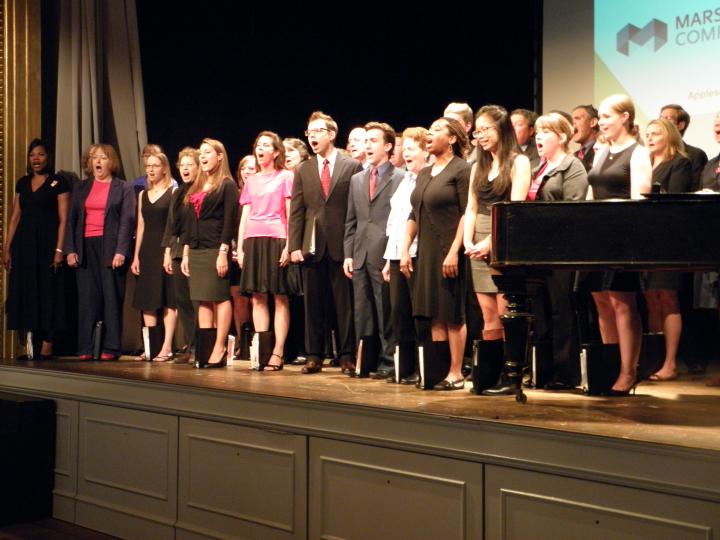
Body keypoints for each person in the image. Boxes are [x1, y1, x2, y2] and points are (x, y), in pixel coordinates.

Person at [586, 94, 652, 396]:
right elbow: (591, 192)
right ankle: (611, 367)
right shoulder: (601, 152)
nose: (601, 122)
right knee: (601, 301)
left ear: (625, 117)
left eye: (607, 116)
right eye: (599, 116)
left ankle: (628, 371)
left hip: (622, 238)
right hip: (596, 237)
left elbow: (641, 201)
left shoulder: (637, 154)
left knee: (621, 302)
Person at [463, 105, 531, 395]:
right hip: (477, 237)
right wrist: (467, 241)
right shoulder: (478, 165)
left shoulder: (519, 162)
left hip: (503, 238)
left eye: (486, 129)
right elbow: (471, 206)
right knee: (487, 312)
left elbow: (514, 209)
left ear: (502, 129)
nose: (481, 136)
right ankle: (490, 374)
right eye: (477, 130)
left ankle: (511, 373)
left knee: (506, 310)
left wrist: (489, 242)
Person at [288, 111, 363, 374]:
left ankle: (346, 355)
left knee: (344, 305)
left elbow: (356, 209)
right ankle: (314, 355)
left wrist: (354, 245)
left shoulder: (351, 165)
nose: (312, 137)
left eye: (318, 131)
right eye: (309, 133)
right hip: (312, 246)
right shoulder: (304, 169)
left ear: (332, 134)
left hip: (342, 245)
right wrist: (293, 245)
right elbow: (297, 210)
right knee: (313, 304)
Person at [400, 117, 471, 390]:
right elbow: (413, 214)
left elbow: (467, 212)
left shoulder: (462, 170)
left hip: (448, 249)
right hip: (427, 252)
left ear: (452, 138)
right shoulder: (425, 173)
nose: (429, 134)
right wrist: (405, 249)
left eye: (437, 130)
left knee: (452, 312)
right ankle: (439, 370)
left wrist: (455, 250)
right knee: (433, 312)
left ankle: (456, 372)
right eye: (429, 129)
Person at [530, 113, 589, 390]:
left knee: (561, 311)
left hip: (561, 252)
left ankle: (566, 373)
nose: (538, 136)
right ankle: (542, 371)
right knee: (540, 313)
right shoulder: (537, 168)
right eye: (538, 132)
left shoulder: (572, 166)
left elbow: (573, 211)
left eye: (545, 132)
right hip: (535, 252)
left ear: (562, 137)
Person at [343, 122, 404, 379]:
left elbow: (400, 219)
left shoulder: (399, 177)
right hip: (360, 252)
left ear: (388, 146)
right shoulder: (357, 179)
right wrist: (348, 253)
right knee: (363, 311)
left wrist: (394, 254)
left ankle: (389, 362)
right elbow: (352, 220)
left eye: (373, 141)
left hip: (384, 252)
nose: (367, 145)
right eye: (365, 141)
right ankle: (365, 362)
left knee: (385, 310)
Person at [65, 144, 136, 360]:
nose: (97, 161)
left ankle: (111, 347)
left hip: (110, 248)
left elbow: (127, 221)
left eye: (103, 158)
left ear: (111, 162)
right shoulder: (81, 187)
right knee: (87, 299)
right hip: (86, 247)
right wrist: (70, 249)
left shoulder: (122, 188)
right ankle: (85, 347)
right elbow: (71, 221)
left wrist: (121, 251)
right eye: (94, 158)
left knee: (111, 297)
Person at [3, 139, 70, 359]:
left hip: (48, 246)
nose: (36, 159)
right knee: (27, 291)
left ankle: (48, 344)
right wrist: (6, 248)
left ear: (47, 157)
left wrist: (59, 250)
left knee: (48, 292)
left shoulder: (58, 182)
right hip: (25, 246)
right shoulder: (22, 183)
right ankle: (30, 344)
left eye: (40, 154)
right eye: (32, 155)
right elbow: (15, 218)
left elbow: (64, 219)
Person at [237, 132, 295, 370]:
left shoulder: (286, 177)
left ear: (276, 152)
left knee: (280, 296)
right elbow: (245, 215)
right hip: (254, 238)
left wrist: (291, 245)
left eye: (265, 145)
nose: (260, 149)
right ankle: (262, 350)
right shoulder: (251, 180)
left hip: (277, 237)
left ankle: (278, 351)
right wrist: (240, 247)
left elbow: (291, 213)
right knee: (257, 296)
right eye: (257, 145)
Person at [180, 138, 238, 368]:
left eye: (207, 152)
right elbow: (188, 223)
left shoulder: (227, 184)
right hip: (196, 249)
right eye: (200, 153)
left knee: (220, 297)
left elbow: (229, 221)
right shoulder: (197, 184)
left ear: (220, 156)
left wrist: (223, 251)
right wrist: (185, 253)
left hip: (215, 247)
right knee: (202, 299)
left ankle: (220, 346)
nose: (202, 156)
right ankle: (206, 347)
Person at [643, 119, 692, 381]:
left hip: (668, 241)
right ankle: (654, 358)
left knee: (667, 298)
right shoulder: (645, 164)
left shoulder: (679, 162)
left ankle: (670, 362)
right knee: (651, 299)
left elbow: (675, 199)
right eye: (648, 134)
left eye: (656, 134)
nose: (650, 138)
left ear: (670, 136)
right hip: (646, 241)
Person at [382, 127, 429, 384]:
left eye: (412, 148)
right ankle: (405, 369)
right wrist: (389, 259)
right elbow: (394, 221)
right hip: (397, 253)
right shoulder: (404, 181)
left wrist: (406, 252)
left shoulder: (426, 180)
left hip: (417, 254)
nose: (406, 153)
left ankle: (424, 369)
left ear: (426, 151)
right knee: (399, 313)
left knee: (417, 312)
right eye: (406, 148)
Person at [131, 151, 177, 361]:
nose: (150, 169)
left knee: (167, 299)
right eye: (148, 166)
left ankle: (167, 347)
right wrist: (136, 256)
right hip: (147, 250)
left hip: (164, 248)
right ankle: (152, 347)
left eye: (155, 166)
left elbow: (174, 225)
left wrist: (169, 251)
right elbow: (140, 226)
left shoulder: (173, 192)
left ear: (164, 168)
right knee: (148, 299)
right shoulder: (142, 195)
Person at [162, 147, 199, 363]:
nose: (185, 169)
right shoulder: (177, 193)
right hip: (176, 251)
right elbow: (170, 226)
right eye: (182, 165)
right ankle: (191, 346)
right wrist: (167, 251)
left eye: (189, 164)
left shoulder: (201, 190)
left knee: (196, 301)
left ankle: (199, 347)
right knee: (182, 300)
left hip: (193, 249)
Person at [228, 155, 255, 359]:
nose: (247, 171)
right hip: (236, 253)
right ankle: (240, 342)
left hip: (256, 252)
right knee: (238, 299)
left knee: (256, 298)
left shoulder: (261, 192)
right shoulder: (235, 195)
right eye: (243, 167)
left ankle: (256, 341)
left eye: (251, 168)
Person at [660, 104, 708, 190]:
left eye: (668, 118)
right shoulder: (653, 155)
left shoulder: (696, 155)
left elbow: (696, 190)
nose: (662, 122)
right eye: (661, 118)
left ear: (680, 125)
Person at [571, 104, 599, 171]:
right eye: (572, 121)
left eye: (577, 118)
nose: (573, 124)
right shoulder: (574, 156)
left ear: (592, 122)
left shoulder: (601, 151)